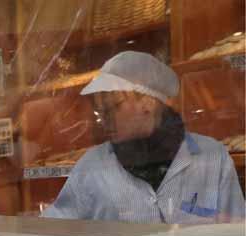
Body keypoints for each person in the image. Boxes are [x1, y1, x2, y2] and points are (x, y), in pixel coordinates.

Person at [45, 51, 245, 224]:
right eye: (101, 111)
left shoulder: (212, 158)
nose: (104, 120)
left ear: (148, 102)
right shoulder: (92, 167)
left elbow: (238, 234)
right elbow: (54, 234)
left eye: (113, 107)